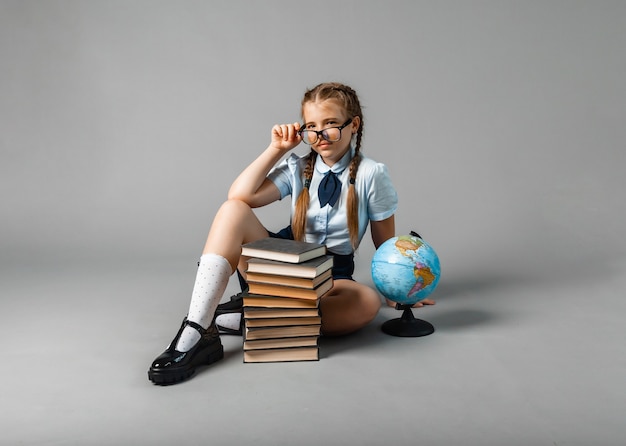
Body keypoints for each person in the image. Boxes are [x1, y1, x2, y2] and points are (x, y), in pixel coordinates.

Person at [148, 82, 433, 385]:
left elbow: (384, 240)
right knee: (233, 209)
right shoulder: (299, 167)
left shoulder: (371, 174)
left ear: (354, 125)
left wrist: (398, 291)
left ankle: (247, 316)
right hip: (280, 263)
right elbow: (241, 195)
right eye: (312, 127)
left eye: (331, 125)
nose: (320, 136)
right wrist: (276, 149)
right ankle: (197, 330)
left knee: (366, 303)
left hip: (331, 274)